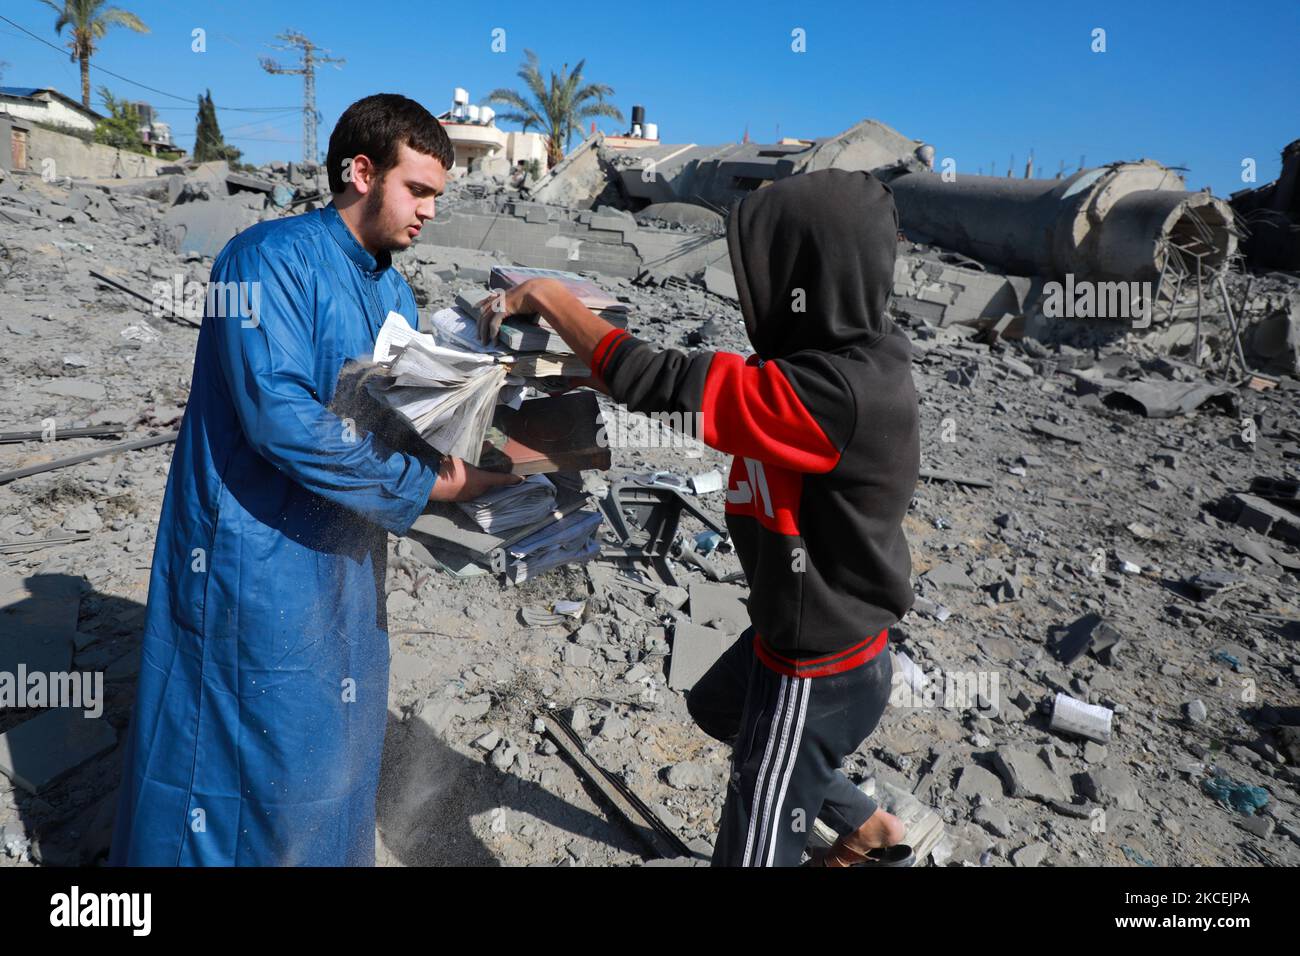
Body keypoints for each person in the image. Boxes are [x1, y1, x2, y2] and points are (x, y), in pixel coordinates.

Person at [110, 93, 518, 866]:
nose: (430, 211)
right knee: (246, 754)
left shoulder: (391, 288)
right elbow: (279, 418)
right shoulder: (266, 259)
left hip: (345, 557)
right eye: (419, 190)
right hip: (252, 556)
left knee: (334, 743)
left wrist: (481, 415)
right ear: (361, 171)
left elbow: (396, 408)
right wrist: (431, 486)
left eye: (438, 194)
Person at [481, 169, 920, 866]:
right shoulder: (843, 364)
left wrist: (552, 298)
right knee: (718, 709)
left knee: (754, 829)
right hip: (804, 642)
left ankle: (822, 806)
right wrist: (580, 371)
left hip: (814, 672)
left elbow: (664, 380)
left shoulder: (837, 393)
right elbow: (688, 395)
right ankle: (868, 829)